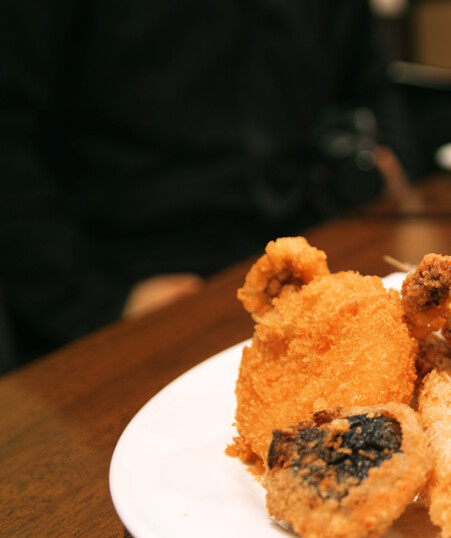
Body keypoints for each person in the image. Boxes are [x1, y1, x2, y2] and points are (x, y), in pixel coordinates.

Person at [0, 0, 424, 372]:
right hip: (135, 275)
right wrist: (96, 303)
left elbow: (375, 86)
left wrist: (394, 166)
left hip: (305, 248)